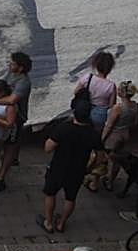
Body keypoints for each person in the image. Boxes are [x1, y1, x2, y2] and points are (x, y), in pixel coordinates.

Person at [38, 100, 100, 234]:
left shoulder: (64, 128)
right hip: (77, 170)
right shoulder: (93, 133)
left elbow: (48, 148)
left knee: (50, 194)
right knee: (70, 198)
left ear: (74, 114)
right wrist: (90, 168)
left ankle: (48, 222)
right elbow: (100, 156)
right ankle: (61, 223)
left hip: (58, 167)